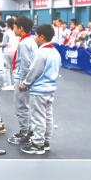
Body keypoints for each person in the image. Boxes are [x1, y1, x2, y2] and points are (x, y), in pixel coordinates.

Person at [17, 23, 61, 156]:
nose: (34, 38)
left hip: (39, 91)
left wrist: (24, 85)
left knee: (38, 118)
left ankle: (37, 145)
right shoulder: (55, 52)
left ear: (42, 37)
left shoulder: (41, 53)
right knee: (47, 116)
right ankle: (45, 142)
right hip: (50, 89)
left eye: (36, 35)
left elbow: (34, 72)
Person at [9, 16, 36, 146]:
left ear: (20, 28)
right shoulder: (30, 40)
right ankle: (27, 130)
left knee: (21, 107)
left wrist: (23, 83)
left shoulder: (24, 43)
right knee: (24, 106)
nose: (13, 30)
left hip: (22, 79)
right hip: (25, 78)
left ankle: (24, 134)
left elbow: (26, 65)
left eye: (14, 27)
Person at [0, 19, 19, 88]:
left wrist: (0, 45)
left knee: (7, 68)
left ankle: (8, 84)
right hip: (15, 52)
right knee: (14, 68)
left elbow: (4, 43)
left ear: (8, 24)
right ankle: (14, 83)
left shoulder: (6, 33)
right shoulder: (17, 32)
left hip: (7, 52)